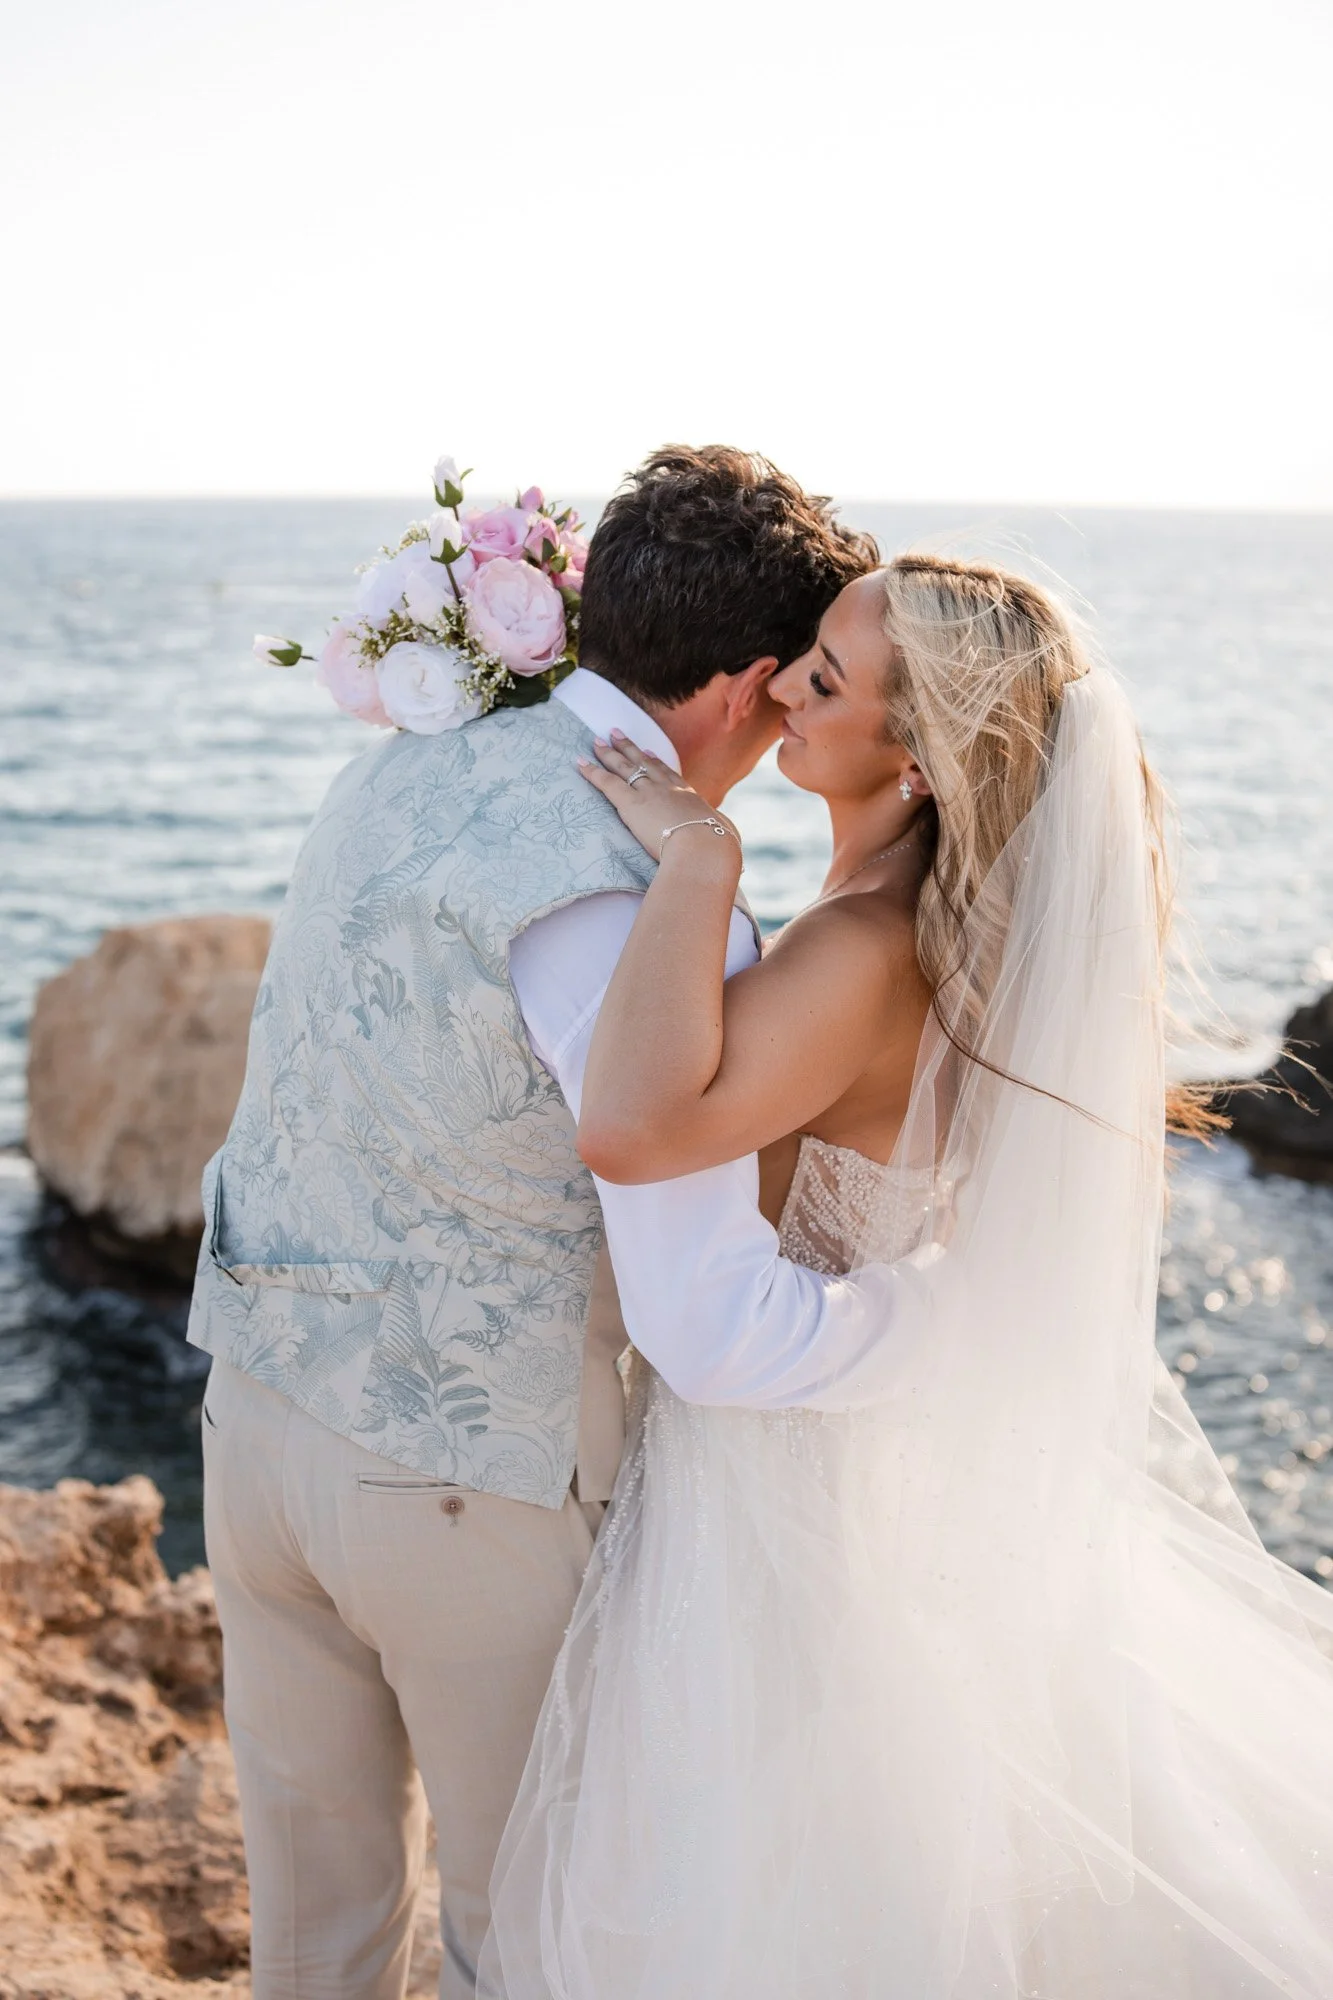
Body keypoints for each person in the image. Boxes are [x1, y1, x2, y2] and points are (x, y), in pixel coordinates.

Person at [481, 556, 1333, 1997]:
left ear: (923, 757)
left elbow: (631, 1127)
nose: (783, 690)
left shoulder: (860, 951)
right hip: (864, 1461)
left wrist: (700, 858)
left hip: (771, 1495)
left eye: (826, 677)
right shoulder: (944, 942)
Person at [187, 444, 898, 2000]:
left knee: (313, 1936)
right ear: (758, 680)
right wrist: (945, 1327)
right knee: (537, 1946)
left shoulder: (414, 753)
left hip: (252, 1422)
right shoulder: (653, 919)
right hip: (463, 1490)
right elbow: (699, 1319)